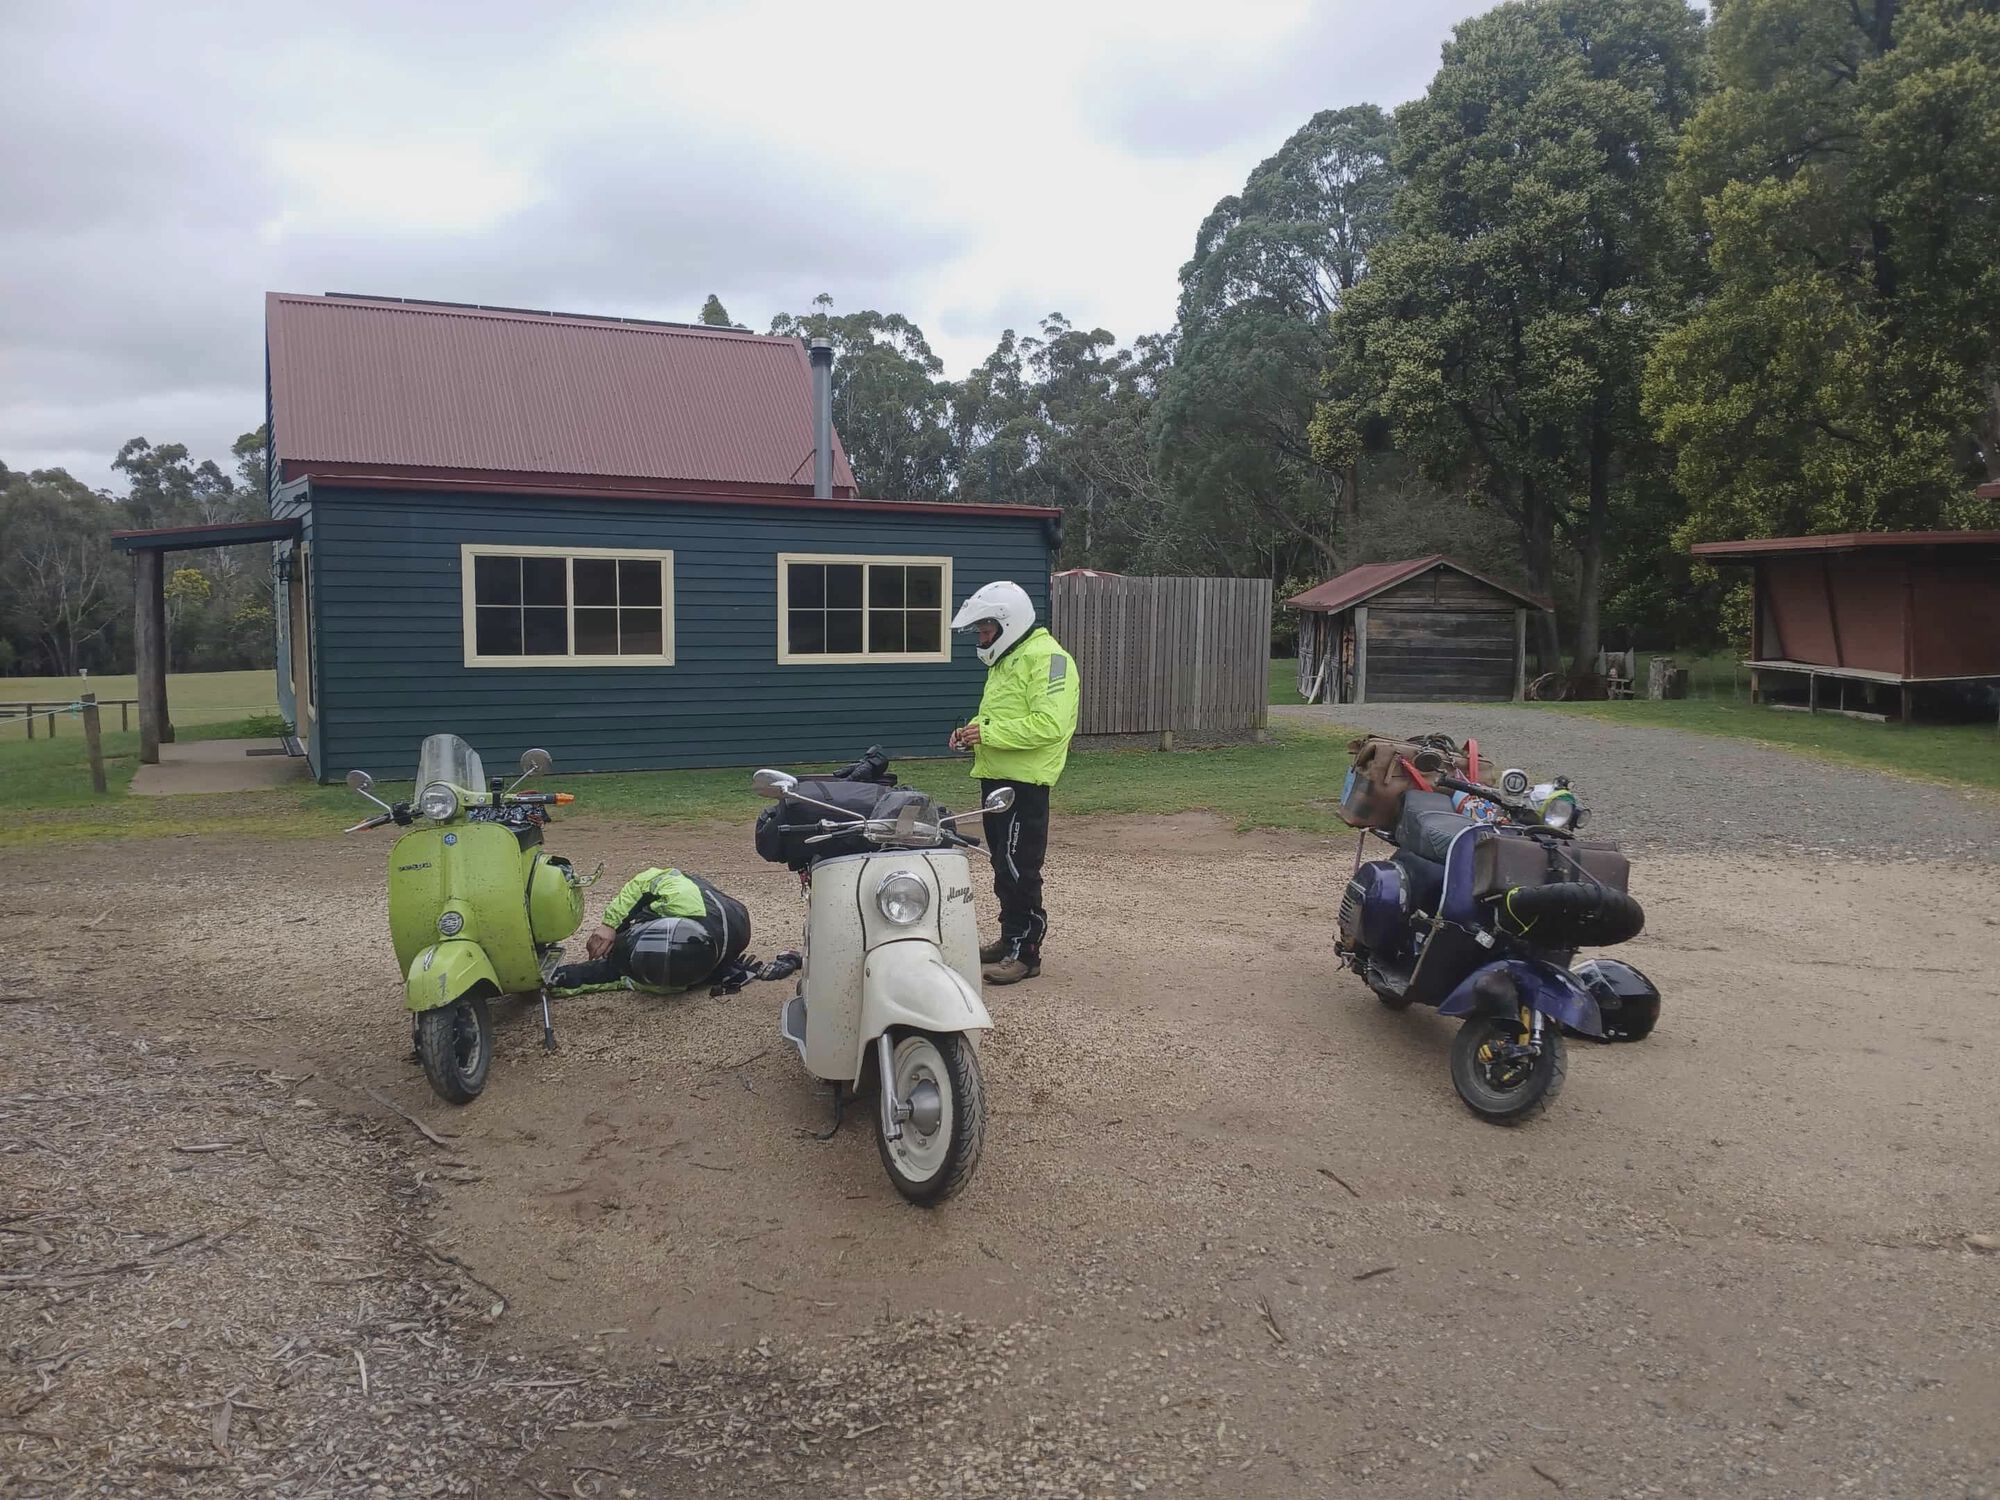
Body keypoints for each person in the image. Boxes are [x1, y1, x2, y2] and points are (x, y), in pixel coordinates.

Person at [947, 581, 1079, 985]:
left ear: (1008, 623)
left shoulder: (1050, 660)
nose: (983, 638)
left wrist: (985, 732)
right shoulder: (1009, 659)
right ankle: (1009, 939)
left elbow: (1049, 724)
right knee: (1002, 864)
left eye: (986, 630)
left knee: (1021, 867)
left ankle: (1027, 953)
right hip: (997, 778)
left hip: (1026, 784)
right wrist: (970, 733)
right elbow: (1005, 717)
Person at [548, 865, 752, 996]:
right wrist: (610, 925)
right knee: (633, 913)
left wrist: (554, 980)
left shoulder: (670, 984)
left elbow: (615, 978)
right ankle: (627, 933)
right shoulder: (681, 896)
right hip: (699, 905)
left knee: (616, 967)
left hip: (717, 925)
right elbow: (646, 881)